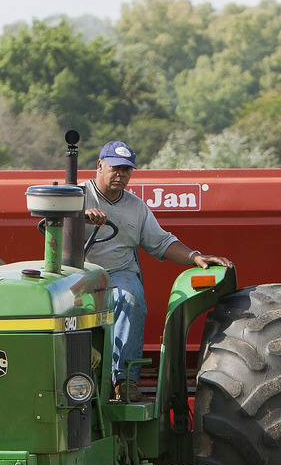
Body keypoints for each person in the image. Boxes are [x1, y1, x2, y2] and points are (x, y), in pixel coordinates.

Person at [80, 140, 232, 400]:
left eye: (126, 170)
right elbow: (51, 220)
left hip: (118, 273)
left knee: (131, 297)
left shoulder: (136, 207)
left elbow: (161, 242)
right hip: (79, 272)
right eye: (115, 168)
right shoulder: (76, 195)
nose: (120, 174)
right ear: (99, 165)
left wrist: (194, 256)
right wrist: (80, 214)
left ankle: (124, 380)